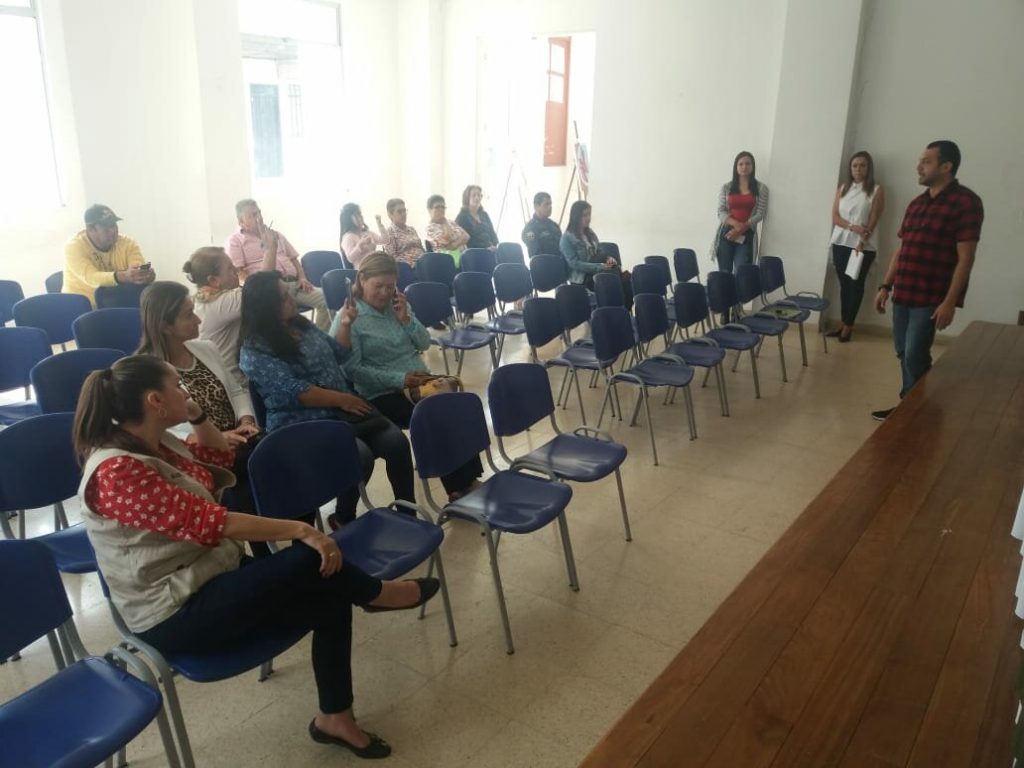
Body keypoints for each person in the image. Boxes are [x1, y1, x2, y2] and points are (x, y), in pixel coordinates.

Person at [75, 354, 439, 760]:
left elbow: (220, 459)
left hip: (210, 577)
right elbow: (212, 522)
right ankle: (376, 593)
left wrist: (197, 415)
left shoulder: (157, 443)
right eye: (177, 386)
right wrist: (302, 530)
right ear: (154, 401)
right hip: (170, 612)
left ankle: (335, 718)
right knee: (307, 557)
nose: (186, 391)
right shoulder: (116, 472)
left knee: (329, 588)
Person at [238, 271, 416, 526]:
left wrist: (345, 324)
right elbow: (296, 391)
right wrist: (343, 399)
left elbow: (340, 353)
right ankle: (345, 517)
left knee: (396, 443)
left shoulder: (301, 325)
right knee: (360, 456)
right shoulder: (254, 349)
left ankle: (408, 517)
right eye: (284, 297)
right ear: (265, 306)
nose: (292, 299)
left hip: (342, 412)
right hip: (301, 424)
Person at [333, 253, 483, 502]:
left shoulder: (397, 305)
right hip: (382, 392)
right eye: (378, 286)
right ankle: (458, 487)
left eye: (390, 286)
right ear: (362, 279)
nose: (384, 293)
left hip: (420, 382)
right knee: (434, 413)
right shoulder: (350, 316)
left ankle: (469, 478)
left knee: (456, 403)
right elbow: (352, 370)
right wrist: (400, 379)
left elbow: (424, 343)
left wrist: (406, 319)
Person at [136, 281, 263, 543]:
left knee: (283, 458)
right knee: (256, 476)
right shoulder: (145, 372)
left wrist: (246, 419)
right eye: (188, 315)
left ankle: (298, 538)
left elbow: (236, 390)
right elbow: (159, 430)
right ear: (165, 326)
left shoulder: (206, 348)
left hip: (240, 438)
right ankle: (266, 544)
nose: (198, 319)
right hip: (198, 454)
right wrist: (216, 437)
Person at [872, 140, 983, 421]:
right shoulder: (917, 204)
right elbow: (902, 249)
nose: (918, 167)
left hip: (931, 296)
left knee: (914, 354)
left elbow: (966, 258)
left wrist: (950, 302)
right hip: (904, 292)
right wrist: (885, 286)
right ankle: (913, 406)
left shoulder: (966, 203)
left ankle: (914, 413)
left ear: (946, 167)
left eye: (926, 161)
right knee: (903, 352)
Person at [226, 199, 330, 331]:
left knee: (328, 299)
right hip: (271, 291)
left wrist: (303, 278)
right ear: (241, 221)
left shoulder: (275, 234)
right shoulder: (235, 241)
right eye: (253, 215)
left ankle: (322, 339)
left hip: (295, 284)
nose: (259, 217)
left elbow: (294, 259)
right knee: (283, 319)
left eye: (259, 212)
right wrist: (258, 289)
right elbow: (239, 273)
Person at [828, 151, 886, 343]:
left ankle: (849, 326)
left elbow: (874, 219)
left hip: (863, 246)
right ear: (850, 168)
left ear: (869, 168)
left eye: (862, 165)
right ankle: (843, 322)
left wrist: (862, 242)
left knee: (855, 285)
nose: (858, 169)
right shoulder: (843, 188)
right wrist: (852, 227)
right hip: (840, 242)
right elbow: (835, 216)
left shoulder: (876, 190)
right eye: (854, 166)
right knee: (844, 285)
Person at [64, 204, 155, 306]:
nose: (113, 231)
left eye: (114, 225)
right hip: (80, 308)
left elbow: (136, 269)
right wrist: (124, 276)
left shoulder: (127, 243)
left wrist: (143, 276)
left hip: (115, 303)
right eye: (106, 227)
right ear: (90, 229)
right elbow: (91, 277)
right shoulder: (74, 247)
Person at [184, 246, 247, 384]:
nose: (236, 270)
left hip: (213, 379)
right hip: (234, 384)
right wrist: (270, 249)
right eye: (230, 268)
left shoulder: (200, 299)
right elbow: (262, 288)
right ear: (213, 280)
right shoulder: (223, 302)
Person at [560, 200, 633, 310]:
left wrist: (609, 258)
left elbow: (600, 252)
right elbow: (575, 264)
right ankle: (619, 309)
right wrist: (600, 266)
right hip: (583, 278)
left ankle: (622, 309)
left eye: (589, 214)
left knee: (623, 278)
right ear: (576, 216)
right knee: (611, 277)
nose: (588, 218)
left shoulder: (590, 233)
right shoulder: (566, 238)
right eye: (585, 215)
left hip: (599, 271)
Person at [711, 151, 769, 275]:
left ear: (752, 166)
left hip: (747, 234)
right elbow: (720, 211)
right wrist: (736, 225)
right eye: (741, 164)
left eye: (748, 164)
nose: (744, 167)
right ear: (736, 167)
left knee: (742, 272)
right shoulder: (726, 187)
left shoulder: (761, 188)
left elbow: (760, 213)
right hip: (727, 233)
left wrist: (742, 228)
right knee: (724, 273)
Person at [424, 194, 469, 265]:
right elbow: (446, 241)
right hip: (445, 262)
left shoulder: (451, 222)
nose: (441, 210)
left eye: (443, 207)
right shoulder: (430, 229)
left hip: (463, 258)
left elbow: (467, 236)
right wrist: (445, 223)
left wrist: (455, 244)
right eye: (437, 207)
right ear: (429, 210)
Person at [379, 198, 425, 267]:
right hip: (407, 268)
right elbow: (392, 258)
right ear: (390, 215)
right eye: (399, 212)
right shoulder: (389, 233)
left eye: (404, 211)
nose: (403, 214)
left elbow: (421, 248)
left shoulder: (412, 229)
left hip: (423, 263)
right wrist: (412, 262)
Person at [339, 203, 385, 268]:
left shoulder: (368, 233)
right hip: (362, 270)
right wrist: (360, 245)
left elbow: (385, 240)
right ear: (349, 220)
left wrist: (380, 225)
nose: (361, 217)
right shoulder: (348, 237)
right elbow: (350, 258)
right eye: (356, 215)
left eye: (360, 214)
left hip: (374, 266)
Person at [454, 185, 498, 250]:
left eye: (479, 195)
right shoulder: (462, 217)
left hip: (490, 251)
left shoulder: (484, 215)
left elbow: (493, 235)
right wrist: (485, 248)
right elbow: (460, 240)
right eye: (474, 195)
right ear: (467, 198)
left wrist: (494, 246)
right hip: (473, 252)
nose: (477, 198)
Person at [522, 191, 562, 257]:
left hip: (559, 261)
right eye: (546, 204)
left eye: (550, 204)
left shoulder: (555, 226)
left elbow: (562, 248)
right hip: (543, 262)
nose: (550, 207)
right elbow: (535, 253)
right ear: (536, 206)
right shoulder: (529, 229)